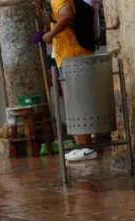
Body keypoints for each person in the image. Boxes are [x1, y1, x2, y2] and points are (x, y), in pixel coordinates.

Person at [34, 0, 96, 161]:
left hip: (73, 55)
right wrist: (39, 11)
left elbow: (67, 16)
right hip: (67, 56)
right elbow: (54, 21)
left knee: (78, 102)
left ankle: (86, 147)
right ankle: (83, 145)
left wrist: (50, 35)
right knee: (75, 102)